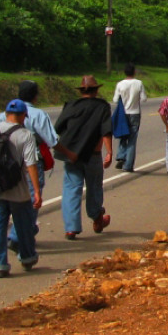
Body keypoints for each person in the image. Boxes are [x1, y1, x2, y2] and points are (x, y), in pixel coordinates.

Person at [0, 80, 74, 252]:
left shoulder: (4, 114)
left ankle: (26, 230)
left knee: (7, 197)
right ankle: (18, 236)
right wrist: (69, 154)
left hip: (6, 162)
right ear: (35, 96)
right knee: (32, 198)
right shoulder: (38, 114)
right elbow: (52, 140)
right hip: (31, 161)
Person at [0, 100, 42, 278]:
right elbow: (31, 164)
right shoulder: (26, 135)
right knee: (23, 225)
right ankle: (27, 257)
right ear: (23, 115)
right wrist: (36, 191)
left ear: (6, 114)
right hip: (18, 190)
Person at [54, 76, 113, 240]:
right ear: (96, 90)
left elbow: (58, 128)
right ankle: (96, 216)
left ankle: (71, 228)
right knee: (94, 187)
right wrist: (109, 152)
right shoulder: (102, 107)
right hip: (92, 155)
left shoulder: (71, 106)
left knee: (72, 189)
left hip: (72, 154)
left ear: (81, 91)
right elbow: (106, 130)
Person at [111, 63, 146, 172]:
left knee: (123, 135)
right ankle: (128, 165)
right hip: (135, 112)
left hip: (123, 113)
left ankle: (121, 155)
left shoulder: (120, 84)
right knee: (132, 139)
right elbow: (143, 98)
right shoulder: (139, 83)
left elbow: (115, 100)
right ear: (134, 72)